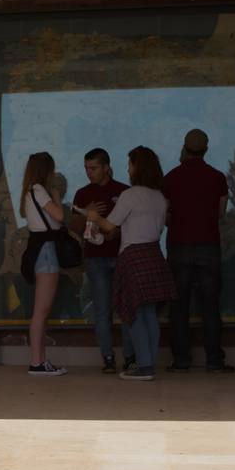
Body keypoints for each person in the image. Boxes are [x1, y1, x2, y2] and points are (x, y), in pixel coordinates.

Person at [86, 147, 175, 381]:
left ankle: (144, 366)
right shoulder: (159, 197)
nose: (127, 168)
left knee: (134, 314)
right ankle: (149, 363)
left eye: (130, 164)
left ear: (138, 167)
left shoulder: (131, 195)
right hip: (155, 256)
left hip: (133, 257)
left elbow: (109, 226)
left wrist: (94, 217)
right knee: (149, 315)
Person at [161, 129, 232, 373]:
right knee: (211, 305)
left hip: (179, 246)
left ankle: (181, 360)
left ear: (184, 147)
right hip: (208, 247)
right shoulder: (217, 177)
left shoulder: (171, 178)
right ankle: (214, 360)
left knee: (179, 307)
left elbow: (166, 216)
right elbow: (220, 213)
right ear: (206, 148)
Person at [72, 149, 133, 374]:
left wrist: (115, 232)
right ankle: (107, 357)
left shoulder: (124, 192)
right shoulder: (82, 193)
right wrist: (85, 214)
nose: (89, 172)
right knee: (102, 310)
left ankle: (130, 357)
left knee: (126, 309)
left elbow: (131, 224)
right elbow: (74, 229)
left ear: (106, 167)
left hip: (121, 255)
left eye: (94, 168)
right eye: (86, 168)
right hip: (95, 259)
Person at [19, 151, 69, 376]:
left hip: (38, 249)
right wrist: (57, 195)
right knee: (42, 310)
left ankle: (40, 360)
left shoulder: (29, 192)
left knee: (41, 310)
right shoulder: (39, 190)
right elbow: (59, 216)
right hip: (47, 251)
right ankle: (37, 362)